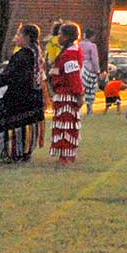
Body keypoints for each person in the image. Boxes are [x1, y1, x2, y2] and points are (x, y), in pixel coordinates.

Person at [0, 22, 46, 164]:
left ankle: (14, 152)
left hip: (19, 97)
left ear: (27, 37)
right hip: (33, 96)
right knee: (27, 124)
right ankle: (25, 151)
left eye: (18, 35)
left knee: (16, 124)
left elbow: (11, 75)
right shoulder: (36, 52)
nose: (16, 38)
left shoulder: (23, 55)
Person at [49, 23, 86, 165]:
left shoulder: (70, 54)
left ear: (67, 37)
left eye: (60, 34)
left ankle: (65, 156)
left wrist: (79, 94)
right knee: (67, 124)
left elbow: (73, 76)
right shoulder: (71, 51)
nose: (58, 37)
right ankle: (67, 154)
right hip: (66, 93)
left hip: (67, 95)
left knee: (66, 124)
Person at [80, 24, 103, 112]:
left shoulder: (79, 44)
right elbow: (94, 59)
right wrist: (97, 71)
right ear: (92, 36)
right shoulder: (92, 46)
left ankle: (80, 107)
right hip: (89, 68)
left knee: (81, 88)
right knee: (90, 89)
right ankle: (89, 108)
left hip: (80, 67)